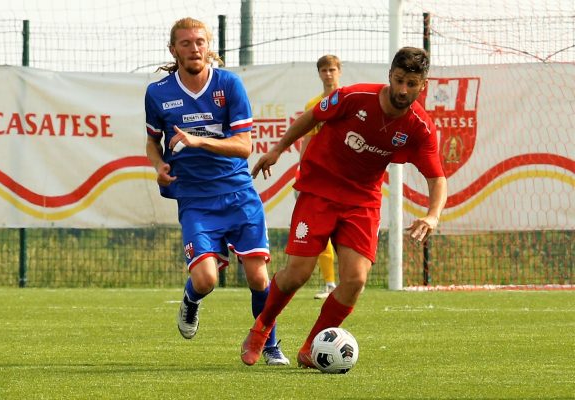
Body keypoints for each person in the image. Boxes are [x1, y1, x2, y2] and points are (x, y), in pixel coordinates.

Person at [240, 47, 447, 368]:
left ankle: (311, 348)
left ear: (424, 84)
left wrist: (433, 215)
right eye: (399, 80)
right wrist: (279, 149)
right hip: (319, 188)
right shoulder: (354, 96)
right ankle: (261, 328)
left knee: (355, 280)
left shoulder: (420, 126)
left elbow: (437, 178)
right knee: (298, 273)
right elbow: (310, 117)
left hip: (362, 200)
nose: (404, 90)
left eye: (412, 83)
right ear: (390, 76)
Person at [144, 17, 289, 366]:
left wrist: (198, 140)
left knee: (258, 276)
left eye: (200, 42)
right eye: (186, 43)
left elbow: (244, 147)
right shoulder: (158, 93)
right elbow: (152, 141)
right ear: (173, 50)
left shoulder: (229, 85)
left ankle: (268, 344)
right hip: (195, 198)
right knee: (206, 279)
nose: (194, 48)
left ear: (209, 46)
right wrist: (158, 166)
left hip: (238, 192)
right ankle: (191, 301)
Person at [299, 55, 342, 299]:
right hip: (321, 177)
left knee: (345, 230)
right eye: (324, 70)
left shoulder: (350, 99)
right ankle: (330, 283)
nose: (328, 74)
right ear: (319, 73)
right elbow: (307, 138)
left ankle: (351, 279)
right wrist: (302, 170)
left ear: (339, 71)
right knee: (320, 228)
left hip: (347, 176)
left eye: (332, 69)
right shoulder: (314, 105)